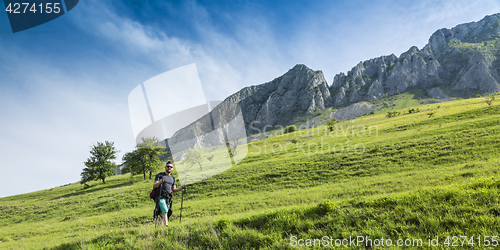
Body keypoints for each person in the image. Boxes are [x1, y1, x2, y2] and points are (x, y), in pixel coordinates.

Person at [153, 161, 185, 226]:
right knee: (165, 210)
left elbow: (174, 189)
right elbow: (154, 185)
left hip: (168, 198)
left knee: (165, 212)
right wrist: (159, 183)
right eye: (168, 166)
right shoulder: (160, 175)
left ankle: (159, 225)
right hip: (160, 196)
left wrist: (181, 188)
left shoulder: (172, 178)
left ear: (172, 168)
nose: (169, 168)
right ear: (165, 167)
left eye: (171, 167)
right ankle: (166, 225)